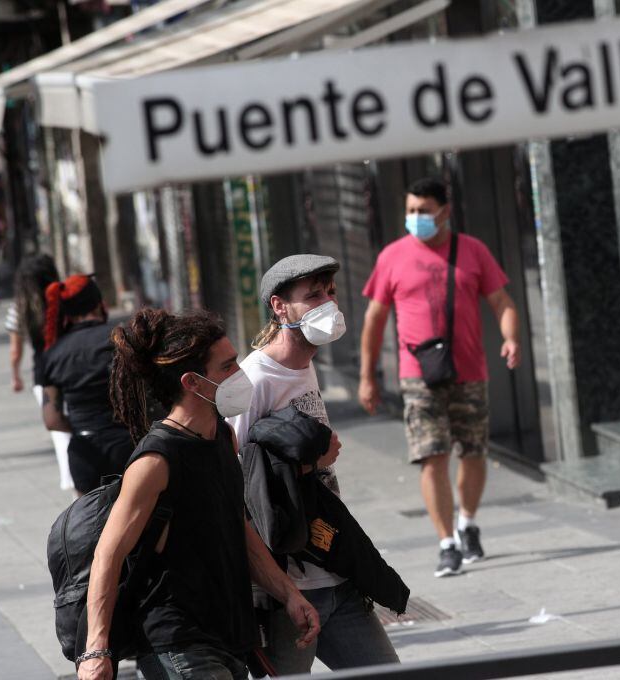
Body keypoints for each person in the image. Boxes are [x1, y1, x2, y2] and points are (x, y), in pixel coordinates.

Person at [77, 308, 320, 680]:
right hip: (179, 644)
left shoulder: (224, 437)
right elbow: (108, 554)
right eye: (227, 366)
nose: (240, 373)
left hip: (229, 635)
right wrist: (96, 651)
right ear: (192, 382)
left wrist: (289, 594)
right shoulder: (156, 460)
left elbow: (237, 529)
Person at [228, 254, 399, 674]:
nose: (327, 304)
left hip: (333, 569)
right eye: (313, 296)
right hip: (290, 586)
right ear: (279, 307)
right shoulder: (254, 379)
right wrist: (310, 463)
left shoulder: (304, 366)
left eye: (331, 293)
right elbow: (237, 480)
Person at [359, 177, 520, 577]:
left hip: (470, 371)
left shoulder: (473, 251)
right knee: (432, 456)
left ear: (445, 212)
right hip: (418, 376)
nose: (415, 218)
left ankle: (467, 521)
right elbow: (374, 319)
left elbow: (503, 302)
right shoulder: (392, 257)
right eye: (410, 211)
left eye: (423, 211)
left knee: (474, 453)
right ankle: (447, 542)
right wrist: (368, 376)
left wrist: (511, 338)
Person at [38, 274, 130, 495]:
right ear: (100, 303)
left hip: (84, 453)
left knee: (92, 526)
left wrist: (83, 428)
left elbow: (52, 420)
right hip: (128, 446)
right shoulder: (120, 339)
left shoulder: (53, 353)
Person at [5, 254, 73, 490]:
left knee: (60, 433)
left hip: (44, 376)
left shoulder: (20, 307)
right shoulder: (66, 299)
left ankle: (74, 484)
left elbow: (15, 350)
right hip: (72, 366)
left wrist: (15, 375)